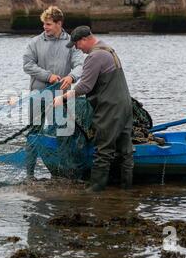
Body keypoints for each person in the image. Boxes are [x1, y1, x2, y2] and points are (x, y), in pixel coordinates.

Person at [54, 26, 133, 191]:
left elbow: (85, 86)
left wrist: (62, 98)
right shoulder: (108, 49)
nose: (77, 48)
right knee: (126, 151)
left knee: (103, 151)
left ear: (84, 40)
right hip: (125, 106)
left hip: (109, 109)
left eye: (76, 44)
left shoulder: (95, 56)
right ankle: (127, 189)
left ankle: (95, 191)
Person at [23, 6, 84, 177]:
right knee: (34, 132)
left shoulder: (71, 43)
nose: (45, 27)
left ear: (59, 23)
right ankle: (30, 174)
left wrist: (72, 77)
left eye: (48, 24)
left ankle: (64, 172)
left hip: (62, 97)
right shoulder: (34, 43)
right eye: (44, 24)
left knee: (64, 132)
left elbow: (80, 65)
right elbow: (27, 65)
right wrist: (48, 76)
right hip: (38, 95)